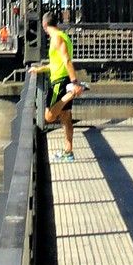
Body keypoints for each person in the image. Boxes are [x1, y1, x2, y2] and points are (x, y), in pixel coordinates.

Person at [41, 11, 84, 162]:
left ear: (44, 25)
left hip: (59, 82)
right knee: (66, 117)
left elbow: (66, 61)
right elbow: (56, 63)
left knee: (49, 116)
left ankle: (70, 94)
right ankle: (68, 152)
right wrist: (40, 69)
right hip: (63, 78)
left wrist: (75, 83)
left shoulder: (57, 38)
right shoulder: (63, 36)